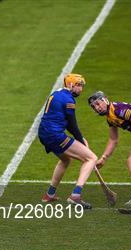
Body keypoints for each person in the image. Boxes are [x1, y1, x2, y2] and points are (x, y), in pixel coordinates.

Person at [38, 73, 97, 209]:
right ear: (70, 85)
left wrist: (81, 139)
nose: (81, 89)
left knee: (65, 159)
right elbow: (72, 125)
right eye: (79, 85)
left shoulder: (57, 93)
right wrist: (81, 140)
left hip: (43, 134)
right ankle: (75, 195)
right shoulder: (69, 100)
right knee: (91, 158)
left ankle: (50, 194)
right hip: (55, 135)